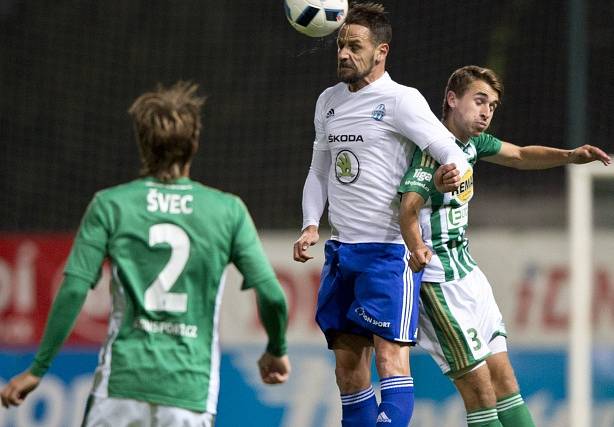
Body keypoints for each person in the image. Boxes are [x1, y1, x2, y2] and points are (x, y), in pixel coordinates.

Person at [0, 82, 291, 426]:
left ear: (142, 144)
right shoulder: (228, 211)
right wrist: (276, 349)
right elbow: (273, 296)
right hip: (189, 392)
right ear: (193, 144)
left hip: (120, 387)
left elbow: (75, 289)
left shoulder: (111, 205)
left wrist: (38, 369)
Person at [399, 65, 611, 427]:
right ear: (451, 99)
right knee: (480, 391)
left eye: (493, 106)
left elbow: (520, 155)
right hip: (438, 283)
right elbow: (408, 207)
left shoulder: (472, 145)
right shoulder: (429, 149)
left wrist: (571, 155)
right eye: (479, 101)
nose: (486, 112)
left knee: (505, 382)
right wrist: (417, 246)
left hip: (469, 275)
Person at [292, 3, 472, 427]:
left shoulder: (401, 100)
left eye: (355, 46)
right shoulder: (328, 102)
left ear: (381, 51)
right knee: (348, 372)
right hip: (341, 253)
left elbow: (451, 151)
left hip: (390, 254)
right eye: (340, 45)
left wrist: (453, 178)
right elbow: (319, 170)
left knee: (391, 361)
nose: (343, 54)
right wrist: (310, 223)